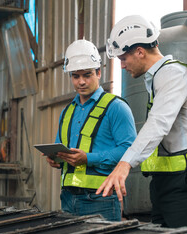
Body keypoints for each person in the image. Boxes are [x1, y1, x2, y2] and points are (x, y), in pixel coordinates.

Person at [96, 15, 187, 229]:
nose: (122, 66)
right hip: (165, 183)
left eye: (123, 58)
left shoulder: (174, 75)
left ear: (140, 51)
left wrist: (124, 164)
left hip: (185, 184)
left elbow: (158, 124)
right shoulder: (159, 77)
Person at [45, 39, 137, 221]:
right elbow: (63, 148)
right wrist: (57, 159)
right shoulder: (67, 111)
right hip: (68, 198)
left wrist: (88, 158)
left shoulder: (116, 107)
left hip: (101, 199)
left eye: (87, 75)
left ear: (99, 72)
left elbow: (131, 150)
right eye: (75, 76)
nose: (81, 82)